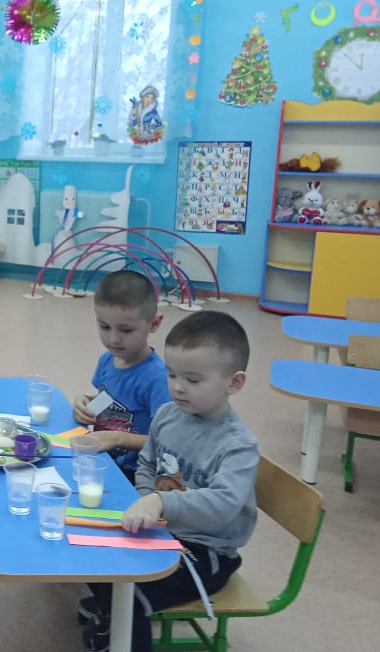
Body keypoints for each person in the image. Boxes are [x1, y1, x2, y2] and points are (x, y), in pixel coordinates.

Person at [80, 310, 259, 652]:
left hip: (206, 550)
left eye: (193, 380)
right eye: (172, 374)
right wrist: (147, 499)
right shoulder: (167, 415)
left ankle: (123, 626)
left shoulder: (238, 445)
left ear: (234, 383)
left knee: (130, 588)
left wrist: (161, 502)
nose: (177, 387)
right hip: (163, 529)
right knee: (89, 553)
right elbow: (148, 462)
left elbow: (223, 505)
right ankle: (111, 612)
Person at [72, 270, 171, 483]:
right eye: (104, 327)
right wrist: (86, 404)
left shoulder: (157, 379)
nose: (113, 339)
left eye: (126, 330)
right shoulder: (107, 360)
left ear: (154, 324)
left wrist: (119, 438)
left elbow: (167, 442)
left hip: (136, 476)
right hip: (101, 462)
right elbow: (110, 400)